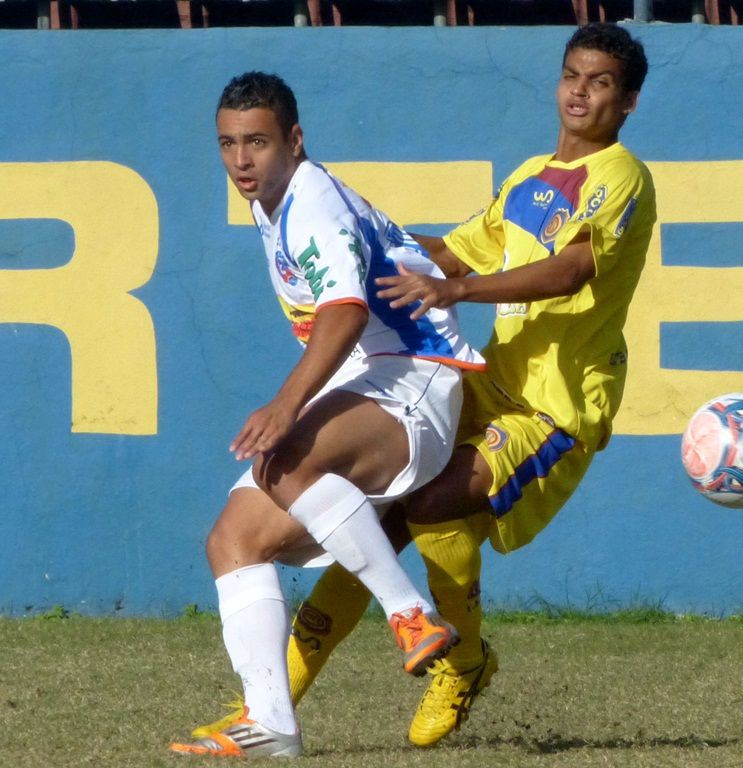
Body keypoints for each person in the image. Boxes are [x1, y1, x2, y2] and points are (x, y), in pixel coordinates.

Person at [195, 21, 655, 750]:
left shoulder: (622, 176)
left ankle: (464, 661)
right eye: (573, 75)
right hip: (491, 380)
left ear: (627, 102)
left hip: (556, 406)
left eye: (601, 83)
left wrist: (459, 291)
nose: (580, 92)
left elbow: (571, 269)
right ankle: (275, 701)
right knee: (376, 520)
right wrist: (362, 233)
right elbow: (445, 249)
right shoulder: (532, 175)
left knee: (433, 502)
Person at [169, 71, 485, 759]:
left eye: (257, 141)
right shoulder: (271, 199)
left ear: (295, 139)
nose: (241, 160)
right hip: (368, 379)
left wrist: (286, 406)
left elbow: (344, 312)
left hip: (418, 383)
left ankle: (412, 615)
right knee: (233, 543)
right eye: (228, 144)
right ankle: (270, 721)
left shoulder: (312, 202)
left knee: (285, 458)